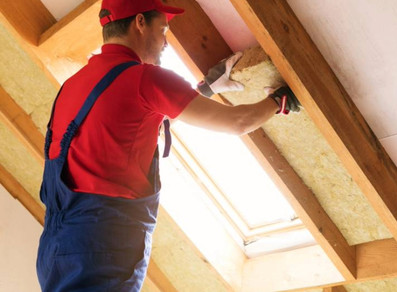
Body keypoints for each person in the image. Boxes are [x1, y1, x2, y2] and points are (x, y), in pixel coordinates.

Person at [36, 0, 300, 290]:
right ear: (139, 23)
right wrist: (278, 100)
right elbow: (238, 122)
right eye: (163, 29)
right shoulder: (145, 79)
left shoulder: (73, 84)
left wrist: (207, 89)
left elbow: (137, 129)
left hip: (56, 249)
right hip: (102, 247)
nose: (164, 41)